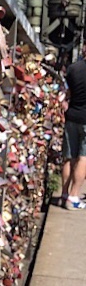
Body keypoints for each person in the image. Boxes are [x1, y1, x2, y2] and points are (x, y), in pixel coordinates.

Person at [61, 47, 86, 209]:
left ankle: (63, 195)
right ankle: (74, 196)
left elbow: (64, 92)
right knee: (84, 157)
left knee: (69, 157)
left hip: (71, 116)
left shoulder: (73, 69)